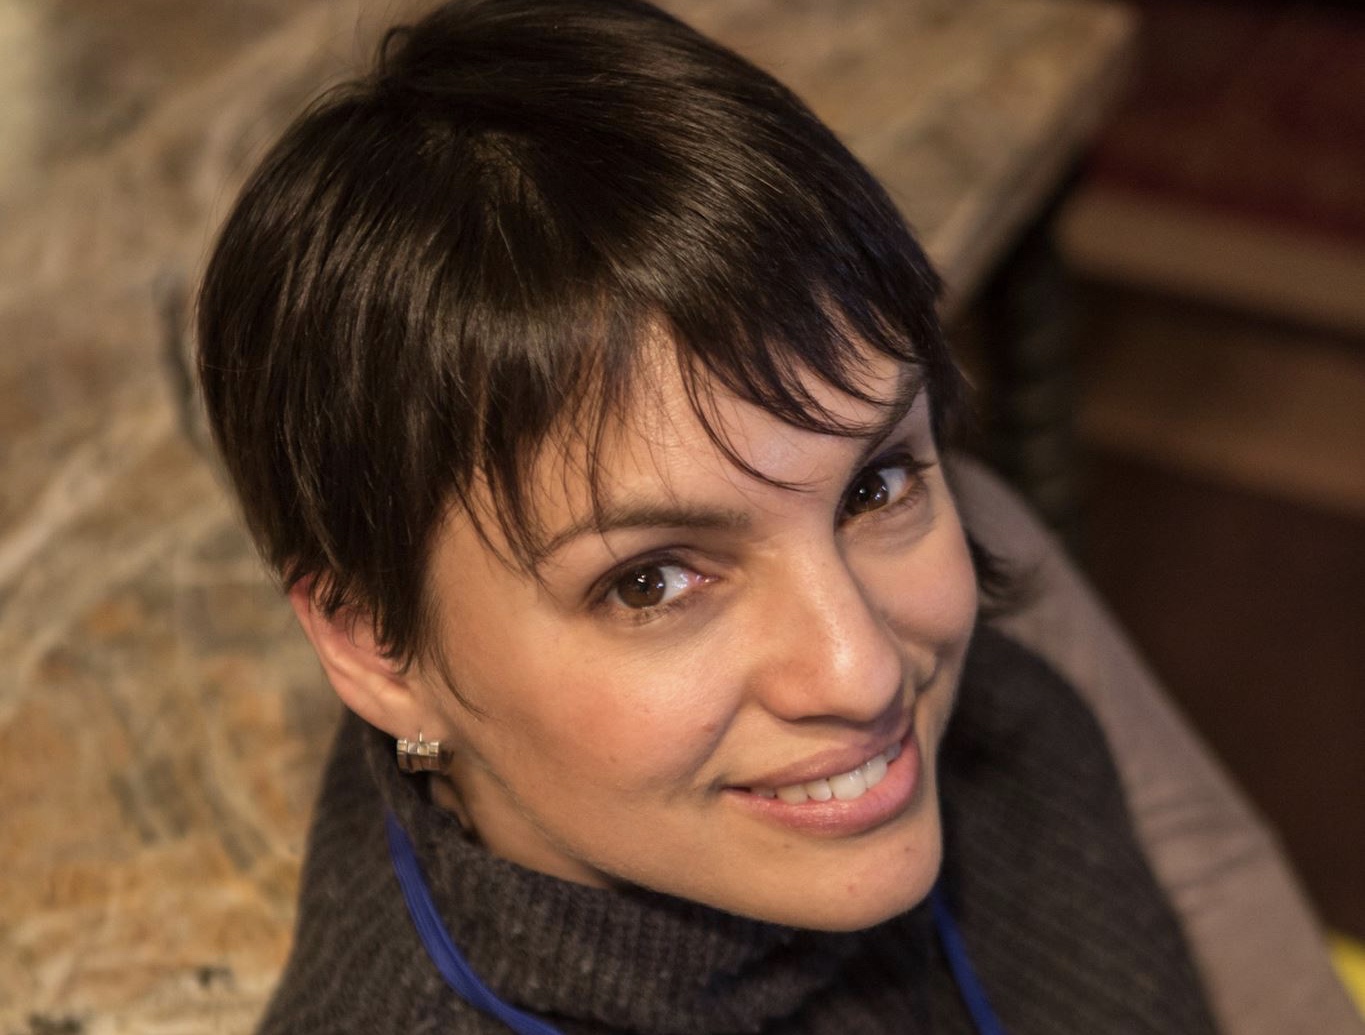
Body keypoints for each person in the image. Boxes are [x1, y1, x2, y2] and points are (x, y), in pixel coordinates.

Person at [196, 1, 1221, 1031]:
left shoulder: (986, 686)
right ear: (374, 644)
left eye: (874, 486)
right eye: (653, 581)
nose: (859, 671)